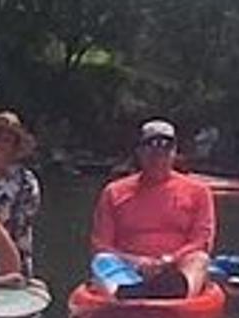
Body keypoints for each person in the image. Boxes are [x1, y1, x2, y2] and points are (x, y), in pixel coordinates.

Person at [89, 119, 216, 298]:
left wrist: (168, 260)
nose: (158, 155)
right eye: (151, 148)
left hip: (175, 268)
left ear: (174, 153)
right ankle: (120, 297)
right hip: (127, 267)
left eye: (166, 149)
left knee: (199, 259)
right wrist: (138, 262)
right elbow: (101, 245)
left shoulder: (199, 191)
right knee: (101, 260)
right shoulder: (114, 192)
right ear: (139, 152)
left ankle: (181, 297)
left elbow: (201, 241)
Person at [0, 111, 42, 281]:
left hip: (6, 250)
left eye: (5, 140)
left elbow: (21, 227)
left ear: (15, 147)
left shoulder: (26, 182)